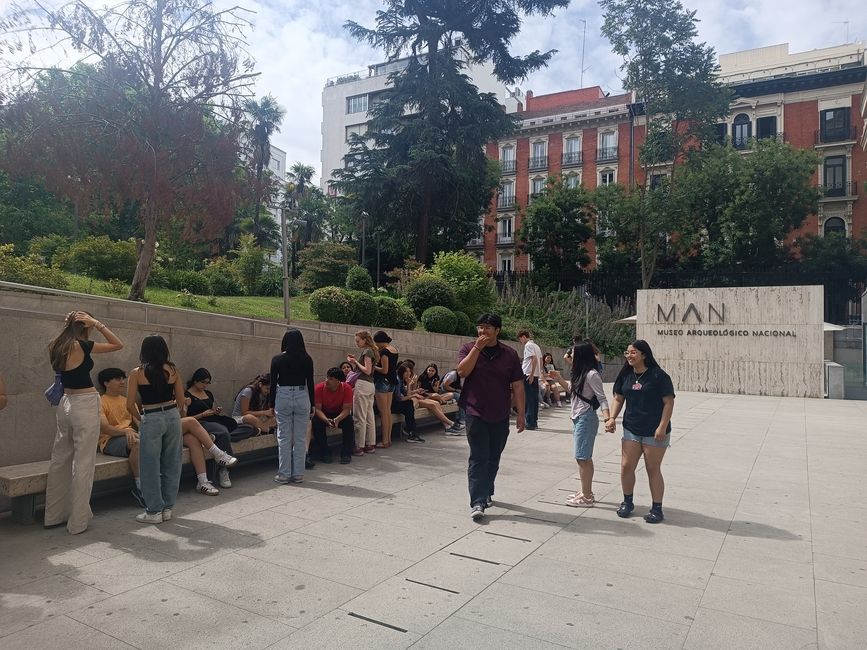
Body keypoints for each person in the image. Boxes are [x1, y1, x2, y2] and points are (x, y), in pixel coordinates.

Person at [45, 311, 123, 534]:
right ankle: (77, 522)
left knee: (60, 460)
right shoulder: (83, 345)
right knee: (83, 463)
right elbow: (118, 344)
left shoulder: (55, 345)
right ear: (85, 325)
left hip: (65, 403)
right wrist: (98, 323)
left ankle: (53, 515)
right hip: (84, 402)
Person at [457, 313, 525, 521]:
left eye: (487, 328)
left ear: (497, 331)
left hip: (500, 413)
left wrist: (521, 413)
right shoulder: (468, 349)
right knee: (478, 456)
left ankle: (486, 490)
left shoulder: (510, 354)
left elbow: (518, 385)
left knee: (493, 457)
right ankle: (477, 500)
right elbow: (462, 372)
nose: (482, 331)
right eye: (480, 327)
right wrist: (477, 348)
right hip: (475, 412)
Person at [605, 340, 675, 523]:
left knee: (653, 469)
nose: (629, 355)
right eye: (627, 352)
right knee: (626, 465)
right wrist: (612, 418)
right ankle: (627, 502)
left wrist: (662, 426)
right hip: (632, 428)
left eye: (633, 352)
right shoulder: (625, 376)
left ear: (644, 354)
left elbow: (669, 402)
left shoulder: (659, 376)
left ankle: (657, 508)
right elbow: (618, 398)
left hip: (655, 431)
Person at [127, 334, 184, 524]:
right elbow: (182, 401)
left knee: (150, 466)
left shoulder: (137, 372)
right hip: (172, 415)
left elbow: (129, 404)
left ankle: (153, 511)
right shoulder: (173, 370)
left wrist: (140, 418)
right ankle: (168, 508)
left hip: (151, 417)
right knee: (172, 462)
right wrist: (177, 416)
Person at [566, 342, 610, 507]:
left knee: (582, 457)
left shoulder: (592, 374)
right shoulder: (578, 373)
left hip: (586, 418)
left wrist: (608, 419)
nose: (571, 357)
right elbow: (572, 393)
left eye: (573, 354)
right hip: (578, 418)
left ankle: (587, 496)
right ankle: (585, 491)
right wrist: (558, 379)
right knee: (582, 457)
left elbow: (602, 397)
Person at [270, 329, 315, 484]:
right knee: (300, 438)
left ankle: (284, 474)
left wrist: (271, 404)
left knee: (284, 437)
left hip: (283, 395)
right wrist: (313, 404)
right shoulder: (307, 359)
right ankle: (298, 474)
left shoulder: (277, 359)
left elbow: (272, 384)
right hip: (302, 395)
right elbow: (310, 382)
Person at [96, 368, 144, 506]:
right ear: (106, 383)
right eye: (118, 379)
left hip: (130, 436)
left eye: (123, 378)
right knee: (137, 443)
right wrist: (125, 432)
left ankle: (156, 484)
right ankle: (139, 486)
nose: (122, 382)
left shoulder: (128, 401)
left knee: (150, 441)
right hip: (109, 440)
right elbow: (105, 428)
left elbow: (139, 423)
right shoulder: (101, 401)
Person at [185, 368, 240, 488]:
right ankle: (223, 470)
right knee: (224, 433)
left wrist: (216, 411)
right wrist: (202, 415)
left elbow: (212, 408)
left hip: (214, 419)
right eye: (203, 382)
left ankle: (213, 438)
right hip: (200, 422)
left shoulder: (208, 393)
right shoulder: (187, 395)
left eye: (207, 383)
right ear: (195, 381)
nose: (205, 385)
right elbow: (186, 419)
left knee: (242, 427)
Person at [393, 363, 455, 440]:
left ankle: (447, 425)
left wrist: (410, 385)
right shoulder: (400, 379)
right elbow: (400, 397)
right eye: (407, 372)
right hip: (407, 401)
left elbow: (407, 393)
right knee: (433, 401)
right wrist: (413, 389)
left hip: (414, 398)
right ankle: (450, 423)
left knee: (436, 402)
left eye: (410, 371)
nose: (409, 373)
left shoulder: (403, 379)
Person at [312, 367, 355, 464]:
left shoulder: (346, 388)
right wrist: (326, 420)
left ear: (338, 381)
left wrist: (337, 419)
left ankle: (346, 453)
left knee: (349, 422)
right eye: (327, 378)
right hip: (324, 413)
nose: (327, 381)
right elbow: (317, 410)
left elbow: (347, 409)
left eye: (331, 379)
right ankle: (325, 452)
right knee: (316, 422)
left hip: (339, 413)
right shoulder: (318, 388)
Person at [347, 330, 378, 455]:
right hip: (370, 385)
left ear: (365, 340)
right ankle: (370, 444)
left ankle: (359, 446)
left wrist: (355, 362)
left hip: (363, 384)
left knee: (360, 417)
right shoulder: (373, 351)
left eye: (358, 341)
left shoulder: (367, 351)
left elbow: (367, 370)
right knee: (369, 417)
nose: (357, 343)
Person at [373, 331, 398, 448]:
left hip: (382, 382)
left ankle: (384, 441)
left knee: (383, 413)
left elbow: (384, 370)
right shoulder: (394, 349)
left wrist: (373, 367)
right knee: (388, 412)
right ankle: (388, 439)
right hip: (392, 383)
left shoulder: (384, 351)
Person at [517, 329, 542, 430]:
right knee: (534, 399)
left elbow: (534, 359)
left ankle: (530, 422)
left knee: (529, 399)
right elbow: (539, 359)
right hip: (535, 375)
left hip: (528, 374)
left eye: (520, 339)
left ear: (523, 337)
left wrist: (531, 375)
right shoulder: (536, 346)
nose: (520, 342)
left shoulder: (528, 345)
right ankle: (534, 421)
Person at [441, 368, 465, 435]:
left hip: (454, 391)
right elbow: (445, 386)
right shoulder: (453, 374)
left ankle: (458, 419)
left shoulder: (464, 376)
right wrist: (456, 390)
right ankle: (462, 420)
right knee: (461, 398)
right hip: (445, 392)